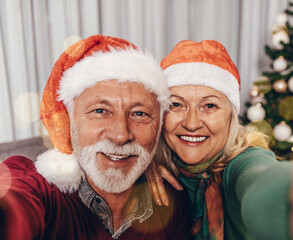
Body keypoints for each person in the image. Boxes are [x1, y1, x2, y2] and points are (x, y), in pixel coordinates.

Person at [147, 31, 293, 240]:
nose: (191, 123)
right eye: (176, 104)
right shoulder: (151, 166)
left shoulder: (241, 164)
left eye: (209, 105)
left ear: (231, 117)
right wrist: (143, 167)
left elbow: (260, 179)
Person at [0, 35, 192, 240]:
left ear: (159, 126)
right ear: (70, 120)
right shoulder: (38, 190)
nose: (120, 135)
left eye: (139, 114)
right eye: (100, 111)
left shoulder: (173, 201)